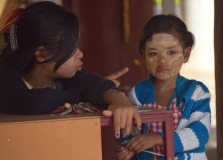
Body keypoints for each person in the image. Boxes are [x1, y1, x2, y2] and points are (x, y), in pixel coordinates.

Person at [0, 1, 141, 138]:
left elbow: (90, 83)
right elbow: (38, 102)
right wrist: (86, 99)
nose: (80, 54)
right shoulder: (6, 83)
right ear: (42, 55)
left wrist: (117, 98)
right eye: (71, 48)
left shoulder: (67, 75)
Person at [115, 14, 211, 160]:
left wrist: (158, 138)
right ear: (144, 54)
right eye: (154, 53)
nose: (163, 61)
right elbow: (129, 132)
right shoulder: (136, 94)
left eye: (171, 52)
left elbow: (200, 133)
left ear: (186, 54)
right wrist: (128, 148)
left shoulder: (197, 93)